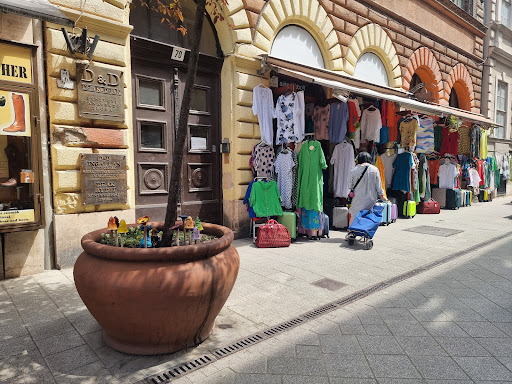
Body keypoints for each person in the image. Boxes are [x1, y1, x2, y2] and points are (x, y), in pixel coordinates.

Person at [348, 151, 386, 225]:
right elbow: (379, 186)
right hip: (371, 199)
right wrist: (382, 196)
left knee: (354, 215)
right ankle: (367, 234)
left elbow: (350, 186)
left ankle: (351, 232)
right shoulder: (375, 170)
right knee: (369, 216)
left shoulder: (353, 170)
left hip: (358, 199)